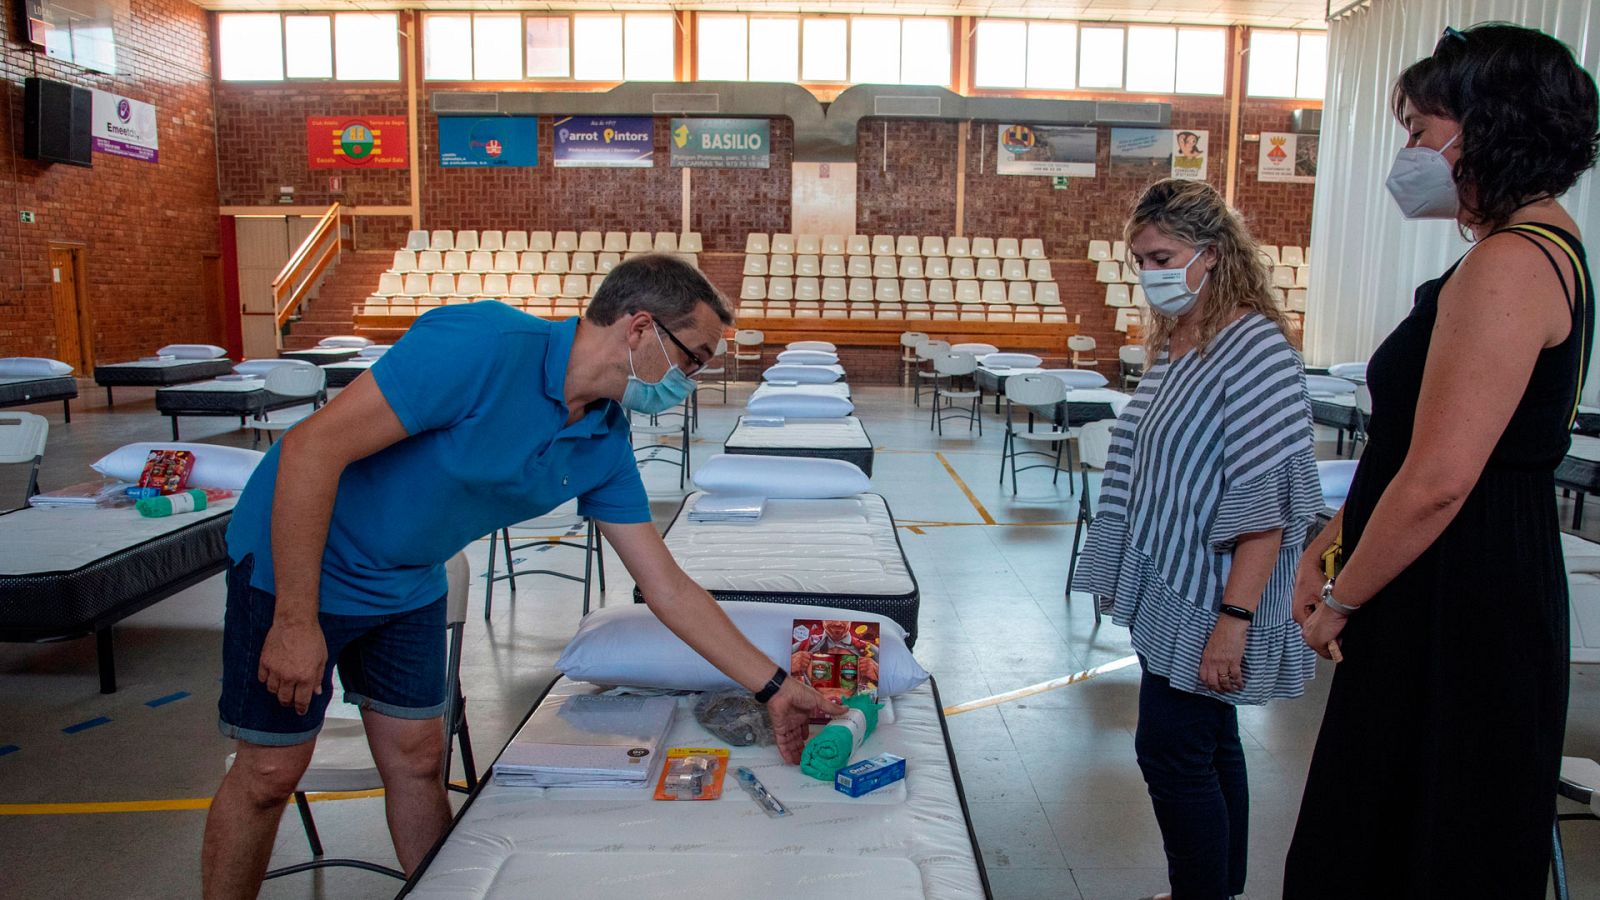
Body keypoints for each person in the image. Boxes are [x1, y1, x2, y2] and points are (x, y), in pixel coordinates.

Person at [200, 255, 846, 899]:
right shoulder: (483, 347)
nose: (691, 380)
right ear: (640, 328)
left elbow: (668, 588)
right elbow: (313, 448)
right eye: (694, 358)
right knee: (270, 774)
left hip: (406, 580)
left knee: (420, 761)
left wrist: (776, 687)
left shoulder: (601, 439)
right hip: (303, 565)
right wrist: (294, 618)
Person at [1285, 25, 1599, 897]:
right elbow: (1409, 450)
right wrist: (1332, 541)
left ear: (1489, 128)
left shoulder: (1513, 262)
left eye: (1423, 130)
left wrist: (1343, 597)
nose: (1410, 152)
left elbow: (1439, 480)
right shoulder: (1521, 251)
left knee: (1422, 839)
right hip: (1448, 572)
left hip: (1461, 587)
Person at [1072, 178, 1321, 900]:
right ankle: (1215, 890)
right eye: (1139, 259)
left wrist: (1231, 626)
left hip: (1214, 595)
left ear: (1211, 255)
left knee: (1171, 751)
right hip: (1174, 585)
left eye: (1162, 255)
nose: (1149, 273)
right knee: (1210, 745)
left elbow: (1267, 504)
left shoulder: (1253, 345)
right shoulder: (1181, 341)